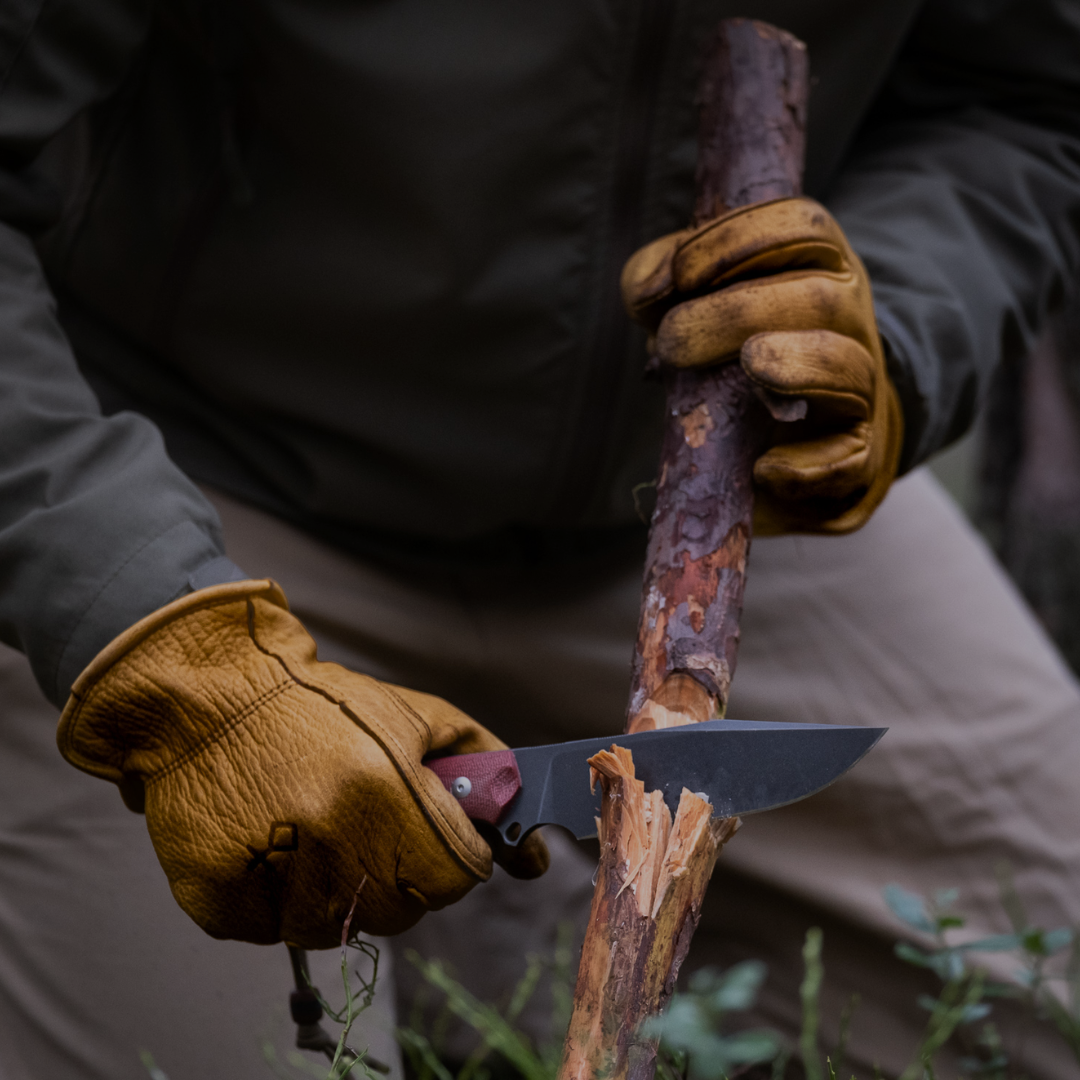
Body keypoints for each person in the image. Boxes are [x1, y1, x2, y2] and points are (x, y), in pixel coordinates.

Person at [0, 0, 1078, 1076]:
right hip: (177, 497)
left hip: (719, 505)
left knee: (1058, 982)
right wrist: (158, 643)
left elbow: (1032, 101)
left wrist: (893, 340)